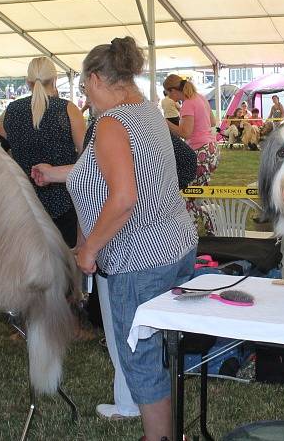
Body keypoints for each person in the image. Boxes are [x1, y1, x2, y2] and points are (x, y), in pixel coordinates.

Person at [31, 37, 197, 441]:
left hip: (139, 259)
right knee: (161, 350)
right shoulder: (147, 112)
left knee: (139, 357)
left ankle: (158, 437)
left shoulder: (110, 124)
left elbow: (122, 198)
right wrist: (56, 173)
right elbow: (104, 170)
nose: (85, 98)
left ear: (95, 79)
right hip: (175, 245)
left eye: (85, 89)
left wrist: (88, 249)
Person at [0, 57, 85, 248]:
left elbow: (0, 149)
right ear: (54, 80)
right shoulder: (68, 109)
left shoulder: (10, 111)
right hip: (64, 203)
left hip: (24, 202)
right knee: (65, 263)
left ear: (28, 82)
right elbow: (88, 158)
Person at [164, 74, 219, 230]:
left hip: (200, 152)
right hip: (211, 150)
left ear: (174, 90)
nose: (168, 97)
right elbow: (213, 122)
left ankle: (191, 232)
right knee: (199, 193)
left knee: (188, 195)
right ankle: (211, 226)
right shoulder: (200, 98)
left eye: (168, 93)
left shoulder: (188, 104)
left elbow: (185, 133)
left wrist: (165, 123)